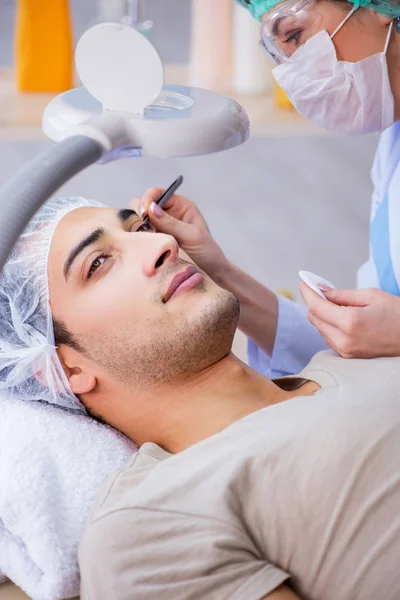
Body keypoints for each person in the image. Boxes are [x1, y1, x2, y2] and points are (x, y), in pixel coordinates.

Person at [2, 196, 400, 600]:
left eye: (141, 228)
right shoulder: (147, 523)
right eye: (98, 264)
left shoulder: (360, 351)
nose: (162, 244)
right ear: (67, 370)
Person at [198, 0, 400, 375]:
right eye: (278, 52)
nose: (293, 73)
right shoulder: (392, 150)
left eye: (294, 34)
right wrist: (218, 273)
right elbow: (369, 345)